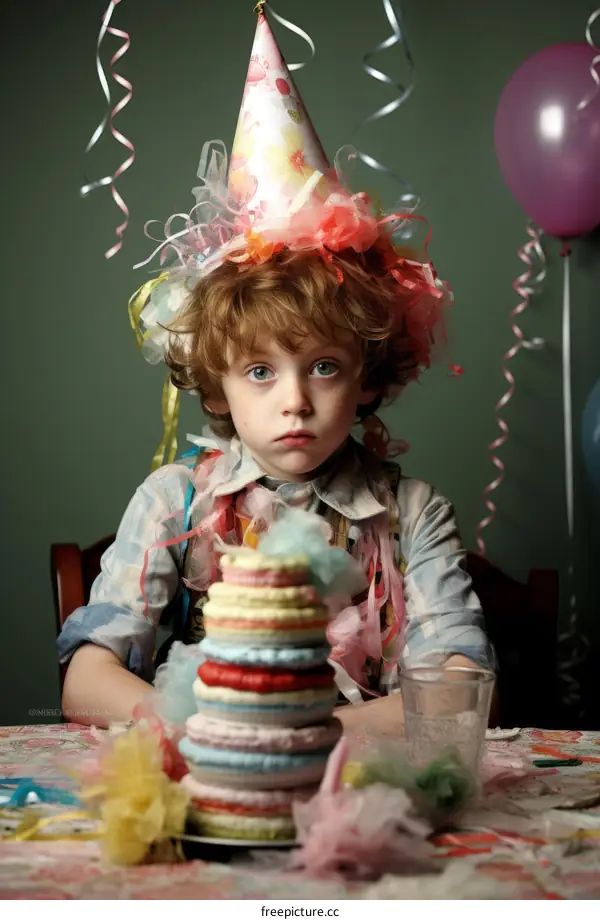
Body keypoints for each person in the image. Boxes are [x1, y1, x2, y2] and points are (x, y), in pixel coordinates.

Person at [58, 7, 494, 731]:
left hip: (356, 782)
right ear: (217, 385)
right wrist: (204, 728)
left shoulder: (412, 514)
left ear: (370, 376)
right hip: (213, 774)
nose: (294, 401)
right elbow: (86, 680)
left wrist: (304, 735)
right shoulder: (176, 503)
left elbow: (463, 691)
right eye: (260, 372)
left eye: (323, 366)